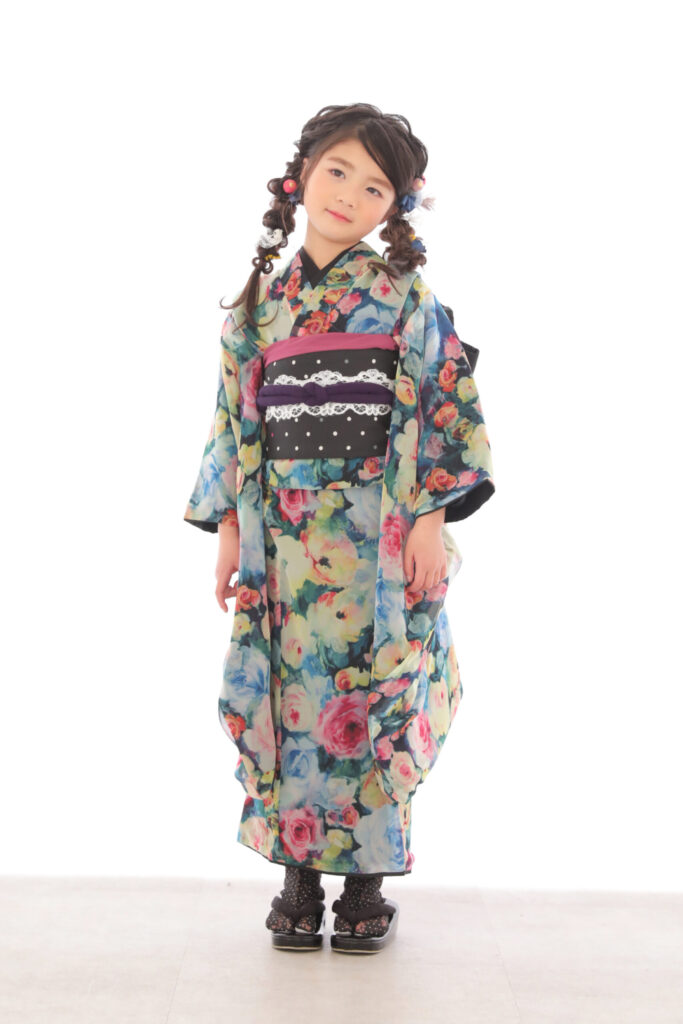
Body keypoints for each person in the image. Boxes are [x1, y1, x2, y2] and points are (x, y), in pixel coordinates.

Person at [183, 103, 495, 953]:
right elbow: (232, 419)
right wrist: (229, 531)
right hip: (284, 539)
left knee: (375, 696)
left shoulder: (402, 297)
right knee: (291, 697)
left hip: (378, 536)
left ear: (395, 207)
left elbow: (440, 403)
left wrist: (428, 516)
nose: (349, 195)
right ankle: (297, 876)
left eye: (374, 187)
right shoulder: (258, 305)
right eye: (336, 172)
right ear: (300, 178)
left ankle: (364, 885)